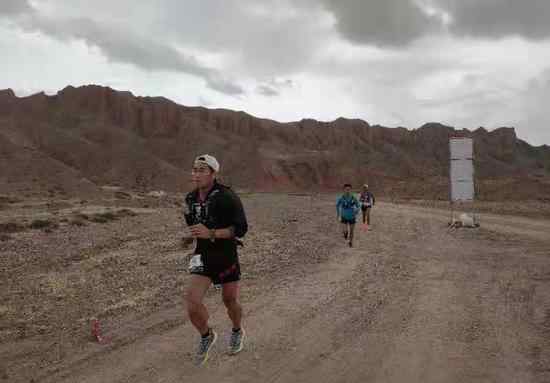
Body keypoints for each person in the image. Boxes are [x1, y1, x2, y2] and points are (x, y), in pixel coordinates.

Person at [183, 154, 248, 365]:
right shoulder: (191, 198)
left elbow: (240, 229)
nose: (196, 174)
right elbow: (195, 225)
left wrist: (211, 233)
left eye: (202, 170)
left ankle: (237, 330)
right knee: (192, 303)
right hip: (202, 256)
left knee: (229, 301)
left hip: (226, 256)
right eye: (195, 169)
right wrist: (191, 236)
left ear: (213, 173)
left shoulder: (227, 197)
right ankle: (206, 335)